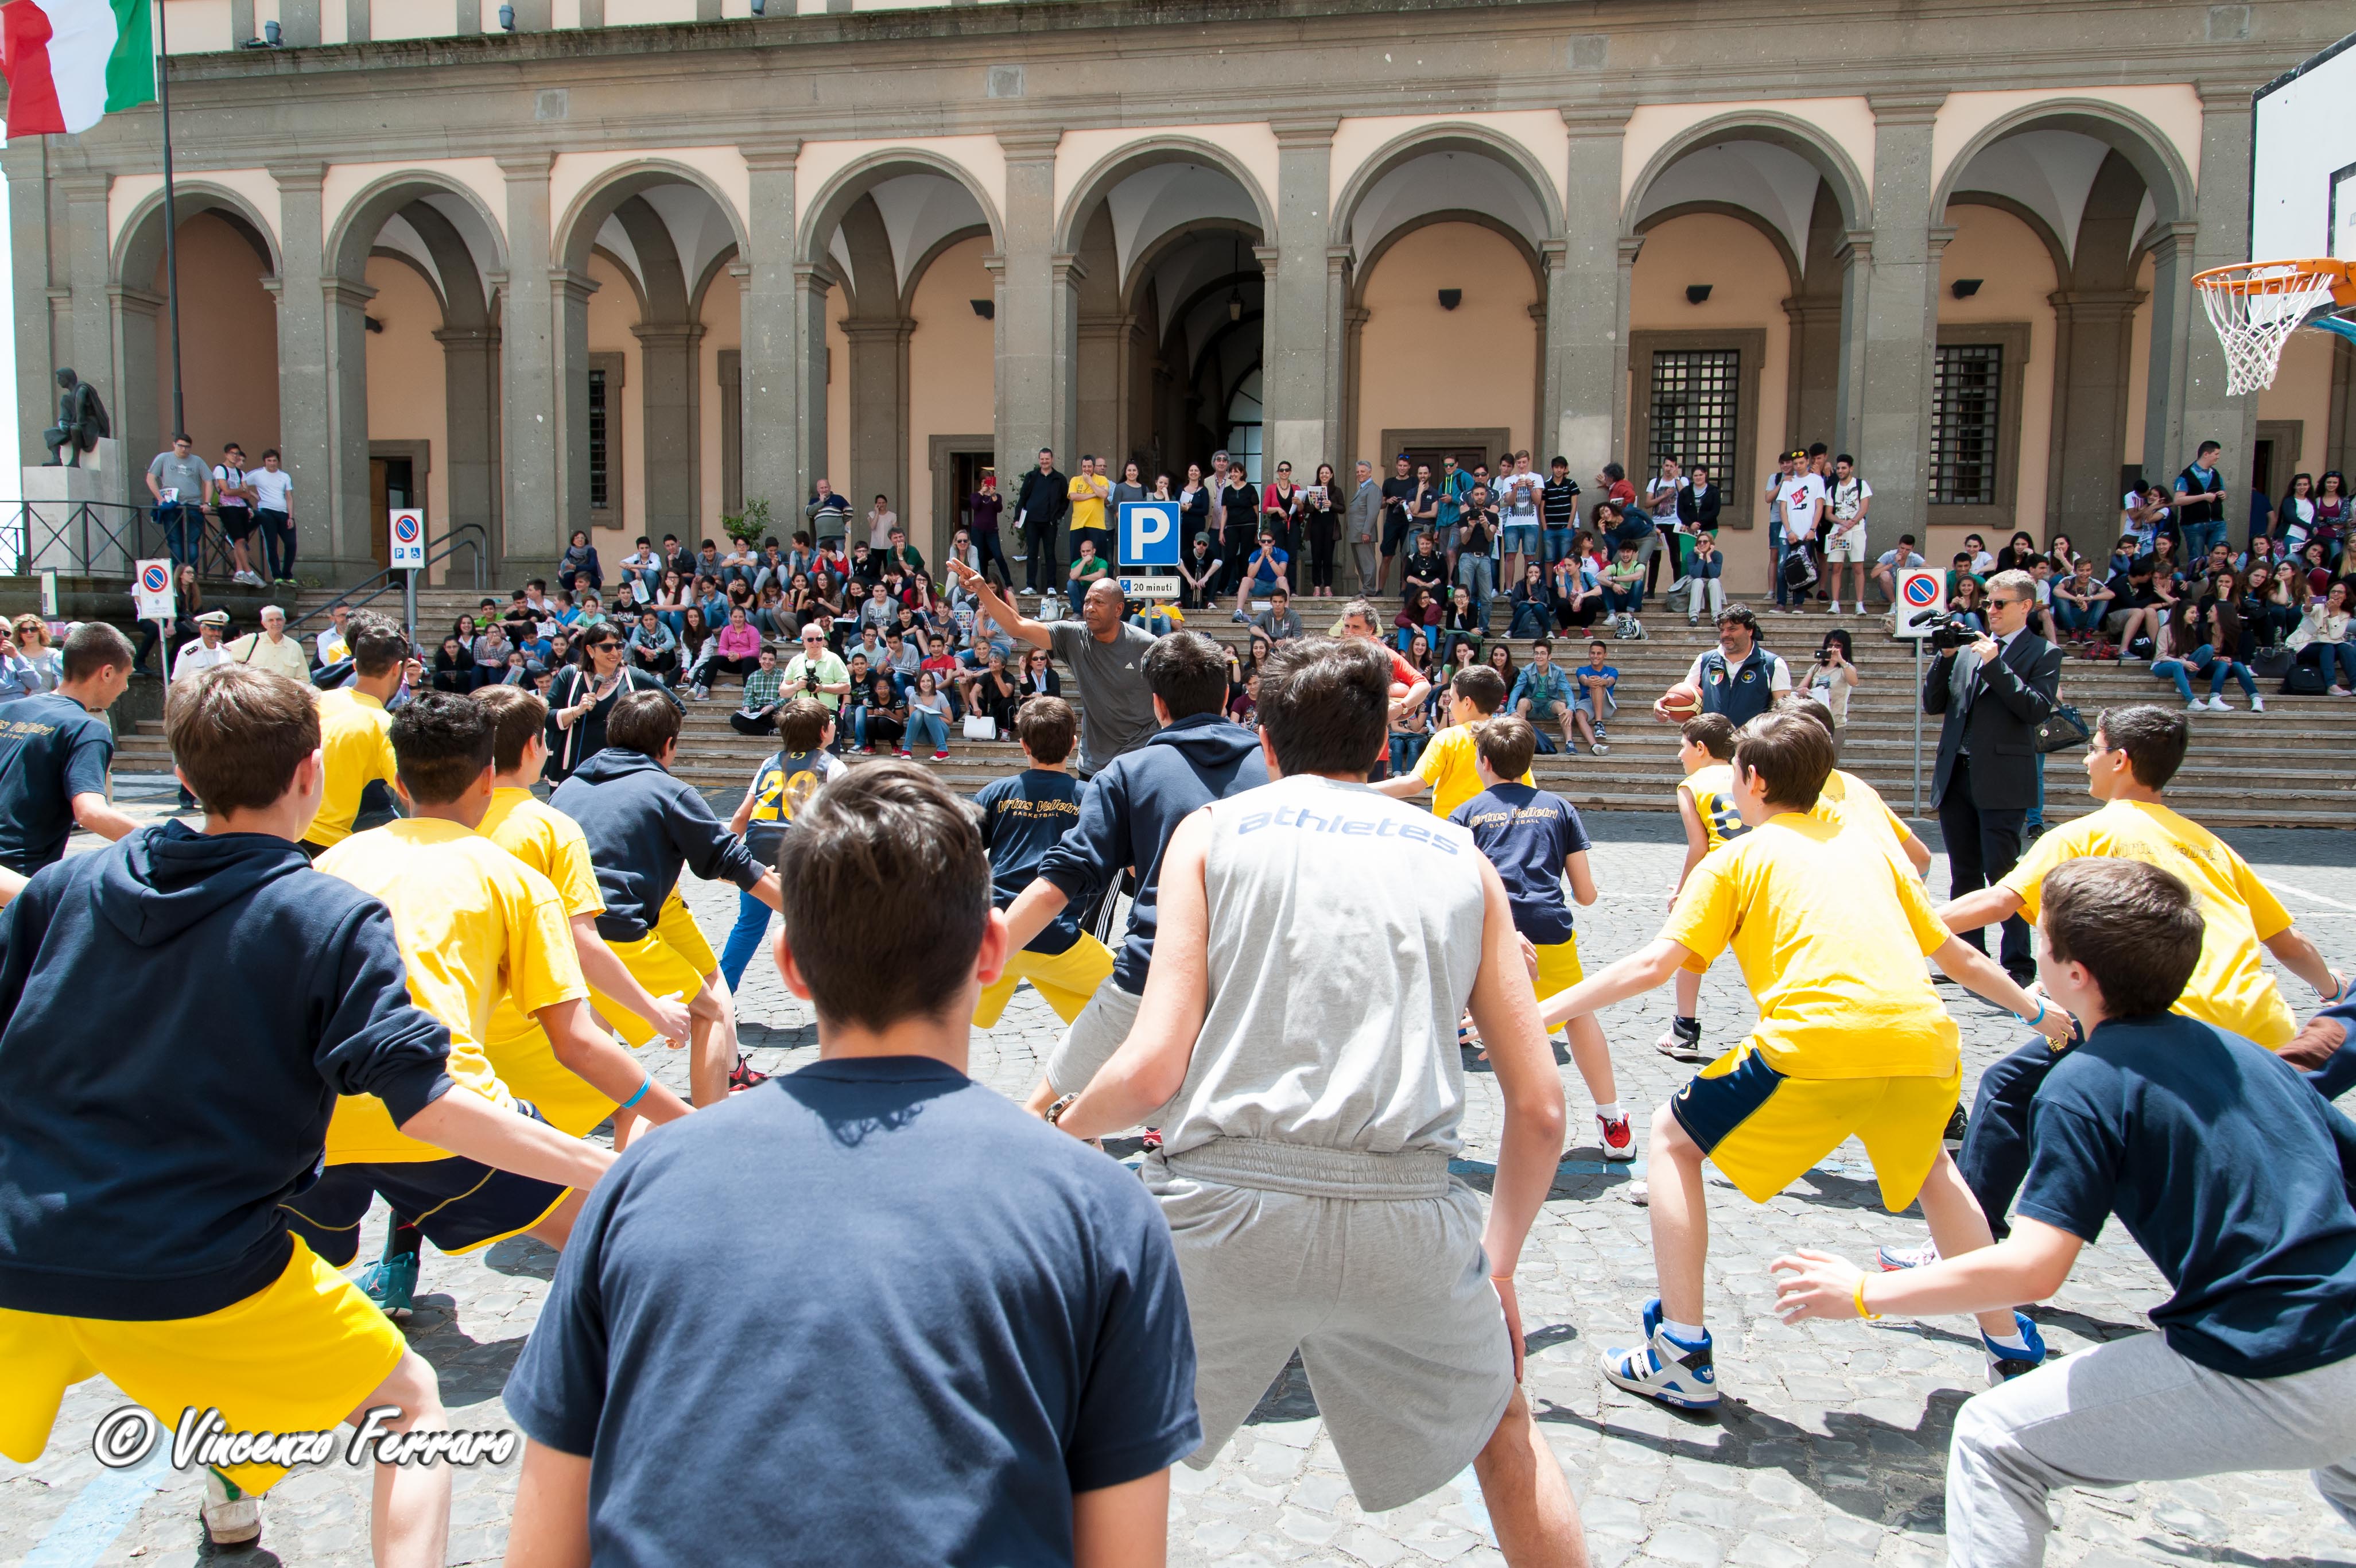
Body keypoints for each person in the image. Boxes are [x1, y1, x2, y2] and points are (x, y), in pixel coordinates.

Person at [504, 760, 1198, 1566]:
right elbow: (1122, 1549)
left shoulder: (636, 1184)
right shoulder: (1103, 1212)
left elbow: (545, 1540)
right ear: (990, 950)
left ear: (790, 965)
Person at [0, 665, 607, 1562]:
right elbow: (430, 1107)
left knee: (231, 1368)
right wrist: (608, 1165)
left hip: (19, 1247)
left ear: (183, 769)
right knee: (407, 1401)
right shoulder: (327, 915)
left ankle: (230, 1490)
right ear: (310, 773)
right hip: (190, 1257)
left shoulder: (65, 890)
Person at [1049, 638, 1588, 1557]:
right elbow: (1540, 1108)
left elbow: (1152, 1065)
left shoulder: (1213, 834)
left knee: (1093, 1438)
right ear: (1383, 743)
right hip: (1406, 1210)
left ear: (1264, 738)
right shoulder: (1463, 857)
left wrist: (1059, 1128)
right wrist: (1493, 1267)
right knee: (1504, 1424)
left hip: (1219, 1205)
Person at [1772, 857, 2356, 1568]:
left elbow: (2034, 1270)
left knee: (1995, 1440)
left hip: (2278, 1355)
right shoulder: (2247, 1053)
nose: (2031, 947)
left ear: (2073, 972)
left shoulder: (2086, 1081)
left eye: (2039, 938)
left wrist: (1862, 1293)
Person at [1539, 713, 2070, 1410]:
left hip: (1814, 1040)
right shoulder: (1869, 849)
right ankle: (2009, 1346)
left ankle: (1679, 1348)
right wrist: (2034, 1011)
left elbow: (1651, 963)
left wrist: (1536, 1012)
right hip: (1923, 1042)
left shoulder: (1736, 858)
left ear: (1752, 780)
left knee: (1671, 1140)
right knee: (1936, 1173)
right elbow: (1955, 952)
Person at [1888, 703, 2348, 1264]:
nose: (2085, 759)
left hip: (2159, 1014)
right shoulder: (2208, 842)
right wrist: (2331, 988)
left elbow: (1998, 900)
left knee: (2009, 1088)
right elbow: (2286, 940)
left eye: (2094, 747)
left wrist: (1904, 930)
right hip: (2259, 1025)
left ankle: (1963, 1250)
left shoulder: (2088, 832)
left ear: (2121, 760)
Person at [288, 693, 662, 1321]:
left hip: (315, 1119)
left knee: (287, 1278)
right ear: (489, 775)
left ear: (397, 780)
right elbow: (578, 1042)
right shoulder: (513, 877)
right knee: (612, 1244)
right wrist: (683, 1118)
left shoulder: (326, 864)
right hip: (448, 1109)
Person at [996, 632, 1268, 1117]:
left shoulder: (1127, 773)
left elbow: (1059, 881)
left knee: (1042, 1112)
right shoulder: (1275, 767)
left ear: (1157, 704)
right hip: (1257, 976)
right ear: (1226, 696)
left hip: (1153, 972)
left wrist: (988, 952)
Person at [550, 691, 783, 1105]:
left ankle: (585, 1099)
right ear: (669, 745)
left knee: (602, 1007)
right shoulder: (667, 791)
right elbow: (735, 864)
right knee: (708, 1010)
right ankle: (708, 1121)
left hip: (560, 932)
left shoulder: (568, 787)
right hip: (617, 926)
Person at [1451, 715, 1632, 1159]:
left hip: (1491, 935)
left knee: (1452, 1028)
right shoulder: (1559, 808)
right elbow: (1585, 894)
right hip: (1550, 930)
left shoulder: (1465, 814)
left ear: (1484, 761)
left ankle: (1441, 1129)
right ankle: (1612, 1120)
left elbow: (1458, 892)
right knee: (1578, 1014)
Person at [1922, 569, 2061, 985]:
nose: (1991, 610)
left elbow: (2035, 709)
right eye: (1987, 602)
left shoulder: (2043, 653)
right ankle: (1968, 957)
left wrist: (1995, 664)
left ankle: (2018, 963)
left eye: (1999, 603)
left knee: (2003, 874)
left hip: (2002, 776)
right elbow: (1934, 703)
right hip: (1957, 775)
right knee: (1963, 871)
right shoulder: (1967, 648)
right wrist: (1945, 658)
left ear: (2026, 607)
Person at [964, 697, 1120, 1033]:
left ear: (1023, 745)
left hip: (996, 932)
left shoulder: (996, 792)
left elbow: (958, 851)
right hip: (1054, 935)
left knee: (965, 1017)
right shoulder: (1088, 796)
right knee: (1132, 999)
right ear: (1073, 745)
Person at [950, 557, 1155, 778]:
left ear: (1118, 610)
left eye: (1099, 603)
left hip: (1140, 761)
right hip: (1094, 766)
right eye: (1087, 602)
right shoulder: (1074, 636)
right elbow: (1017, 625)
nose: (1090, 609)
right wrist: (982, 589)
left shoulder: (1146, 644)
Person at [719, 697, 845, 995]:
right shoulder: (833, 766)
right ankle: (841, 997)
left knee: (748, 926)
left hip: (758, 858)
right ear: (823, 732)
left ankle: (722, 993)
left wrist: (725, 854)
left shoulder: (770, 763)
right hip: (802, 859)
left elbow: (741, 815)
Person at [0, 622, 136, 879]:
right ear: (107, 673)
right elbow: (90, 812)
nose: (126, 687)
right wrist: (165, 842)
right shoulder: (86, 729)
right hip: (18, 876)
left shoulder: (7, 711)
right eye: (126, 676)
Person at [1659, 713, 1743, 1063]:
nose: (1680, 755)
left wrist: (1681, 891)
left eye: (1683, 747)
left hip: (1721, 876)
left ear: (1701, 748)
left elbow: (1699, 845)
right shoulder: (1744, 773)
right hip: (1759, 870)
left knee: (1690, 953)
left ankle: (1684, 1032)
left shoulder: (1691, 785)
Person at [301, 611, 409, 858]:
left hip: (286, 830)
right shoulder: (384, 725)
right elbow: (412, 793)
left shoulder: (318, 701)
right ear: (397, 669)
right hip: (327, 844)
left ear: (354, 665)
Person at [1373, 664, 1532, 818]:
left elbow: (1414, 784)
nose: (1449, 706)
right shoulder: (1507, 738)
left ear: (1467, 703)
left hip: (1452, 830)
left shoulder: (1448, 737)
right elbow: (1527, 790)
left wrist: (1360, 789)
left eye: (1452, 699)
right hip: (1494, 830)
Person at [544, 623, 680, 782]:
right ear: (590, 650)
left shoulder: (634, 677)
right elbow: (547, 717)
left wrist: (644, 725)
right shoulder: (570, 676)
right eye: (607, 647)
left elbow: (676, 707)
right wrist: (577, 710)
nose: (615, 652)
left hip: (620, 773)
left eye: (619, 646)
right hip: (572, 772)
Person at [1654, 604, 1790, 727]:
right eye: (1722, 630)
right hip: (1711, 747)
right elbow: (1685, 695)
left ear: (1750, 631)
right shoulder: (1705, 661)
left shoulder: (1772, 664)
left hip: (1751, 747)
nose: (1725, 635)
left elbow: (1782, 713)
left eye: (1732, 629)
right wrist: (1663, 705)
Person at [146, 432, 215, 572]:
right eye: (180, 446)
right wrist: (160, 499)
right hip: (172, 504)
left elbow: (209, 481)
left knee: (193, 542)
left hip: (194, 505)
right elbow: (150, 478)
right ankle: (178, 572)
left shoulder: (197, 461)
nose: (184, 449)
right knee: (175, 540)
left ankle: (192, 572)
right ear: (174, 445)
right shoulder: (164, 458)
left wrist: (207, 503)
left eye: (187, 447)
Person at [1014, 448, 1070, 596]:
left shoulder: (1060, 479)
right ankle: (1031, 586)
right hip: (1032, 521)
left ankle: (1051, 585)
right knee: (1032, 553)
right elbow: (1023, 498)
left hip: (1050, 522)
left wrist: (1058, 516)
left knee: (1050, 553)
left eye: (1047, 459)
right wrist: (1017, 517)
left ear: (1052, 459)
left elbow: (1065, 500)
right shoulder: (1031, 477)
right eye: (1042, 459)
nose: (1045, 461)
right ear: (1039, 460)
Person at [1509, 638, 1578, 756]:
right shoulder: (1527, 671)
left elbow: (1567, 690)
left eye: (1543, 653)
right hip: (1533, 704)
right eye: (1536, 653)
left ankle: (1569, 742)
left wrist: (1571, 708)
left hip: (1549, 705)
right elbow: (1516, 691)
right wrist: (1511, 710)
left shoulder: (1557, 671)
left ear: (1549, 657)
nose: (1539, 656)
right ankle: (1520, 742)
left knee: (1562, 706)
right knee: (1522, 702)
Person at [1822, 454, 1871, 612]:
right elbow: (1828, 513)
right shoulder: (1833, 489)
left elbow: (1864, 509)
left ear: (1851, 468)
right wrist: (1841, 523)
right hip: (1838, 531)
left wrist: (1849, 524)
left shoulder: (1861, 485)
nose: (1841, 471)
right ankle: (1835, 603)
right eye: (1839, 468)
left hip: (1857, 529)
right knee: (1836, 567)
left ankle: (1859, 604)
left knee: (1858, 567)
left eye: (1844, 468)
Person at [247, 448, 297, 585]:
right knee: (272, 544)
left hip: (283, 512)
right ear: (265, 462)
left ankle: (287, 573)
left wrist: (291, 517)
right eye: (269, 461)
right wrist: (253, 495)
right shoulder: (257, 474)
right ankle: (277, 576)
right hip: (267, 510)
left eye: (274, 460)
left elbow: (289, 497)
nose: (272, 463)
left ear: (278, 462)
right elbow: (242, 483)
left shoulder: (285, 476)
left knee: (291, 544)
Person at [2174, 438, 2230, 561]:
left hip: (2217, 522)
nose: (2218, 457)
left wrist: (2222, 494)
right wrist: (2203, 497)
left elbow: (2222, 490)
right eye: (2216, 454)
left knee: (2220, 556)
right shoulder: (2186, 476)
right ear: (2206, 454)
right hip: (2194, 524)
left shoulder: (2216, 474)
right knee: (2197, 559)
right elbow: (2178, 500)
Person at [1806, 627, 1858, 726]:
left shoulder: (1846, 668)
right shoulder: (1816, 668)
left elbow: (1854, 682)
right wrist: (1803, 690)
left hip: (1836, 722)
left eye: (1838, 646)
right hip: (1815, 721)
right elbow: (1801, 687)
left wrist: (1841, 661)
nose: (1833, 649)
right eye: (1830, 645)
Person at [1346, 458, 1381, 590]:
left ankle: (1369, 589)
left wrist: (1366, 531)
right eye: (1358, 472)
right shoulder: (1362, 488)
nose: (1359, 474)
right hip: (1356, 533)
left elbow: (1372, 512)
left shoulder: (1373, 489)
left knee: (1367, 563)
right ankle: (1366, 588)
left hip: (1364, 533)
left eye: (1363, 471)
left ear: (1370, 472)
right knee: (1360, 563)